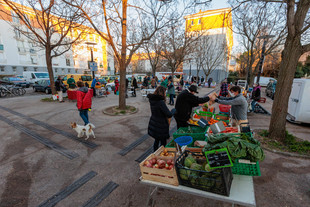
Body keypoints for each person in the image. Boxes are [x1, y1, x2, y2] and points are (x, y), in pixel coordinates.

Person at [147, 86, 173, 151]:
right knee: (163, 142)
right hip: (161, 124)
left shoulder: (152, 100)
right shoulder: (160, 102)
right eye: (165, 92)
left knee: (157, 139)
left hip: (154, 122)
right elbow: (169, 114)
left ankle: (155, 153)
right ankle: (162, 155)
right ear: (162, 93)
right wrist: (173, 111)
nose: (165, 94)